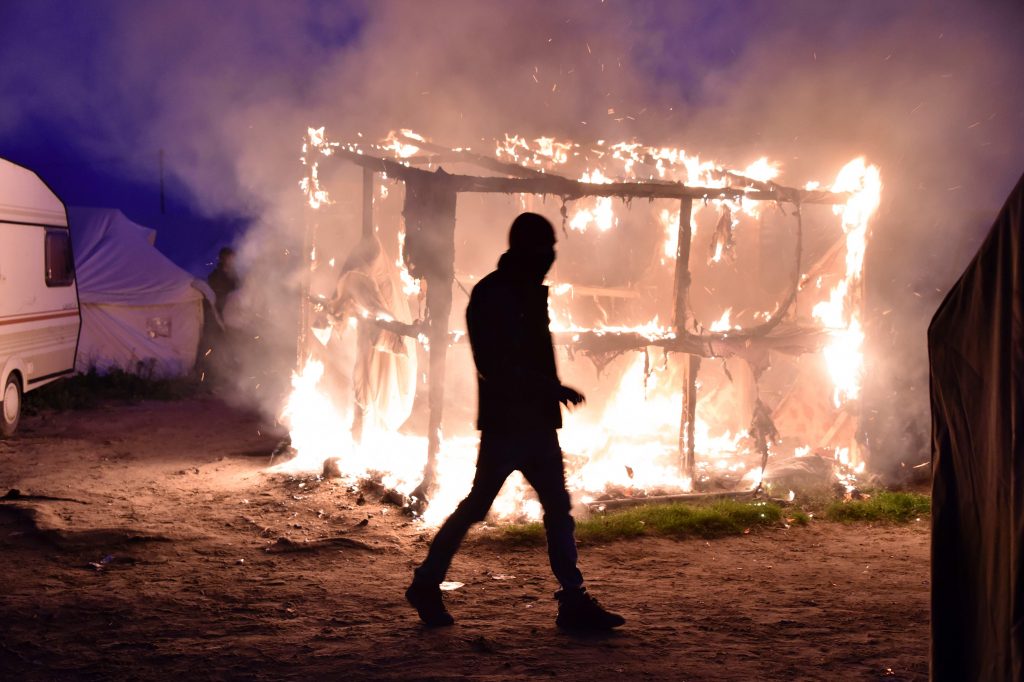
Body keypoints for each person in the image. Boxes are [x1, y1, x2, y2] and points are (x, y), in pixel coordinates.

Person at [405, 212, 625, 631]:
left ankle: (572, 599)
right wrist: (549, 388)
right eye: (545, 249)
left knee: (553, 508)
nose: (551, 257)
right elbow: (493, 364)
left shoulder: (520, 290)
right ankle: (426, 581)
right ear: (527, 249)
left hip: (534, 422)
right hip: (509, 423)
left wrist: (547, 392)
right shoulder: (496, 294)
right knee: (481, 507)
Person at [207, 247, 239, 316]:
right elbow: (213, 295)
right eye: (230, 258)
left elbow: (239, 289)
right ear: (223, 259)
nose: (232, 260)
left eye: (233, 258)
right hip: (221, 311)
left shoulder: (235, 275)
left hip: (236, 309)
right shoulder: (214, 276)